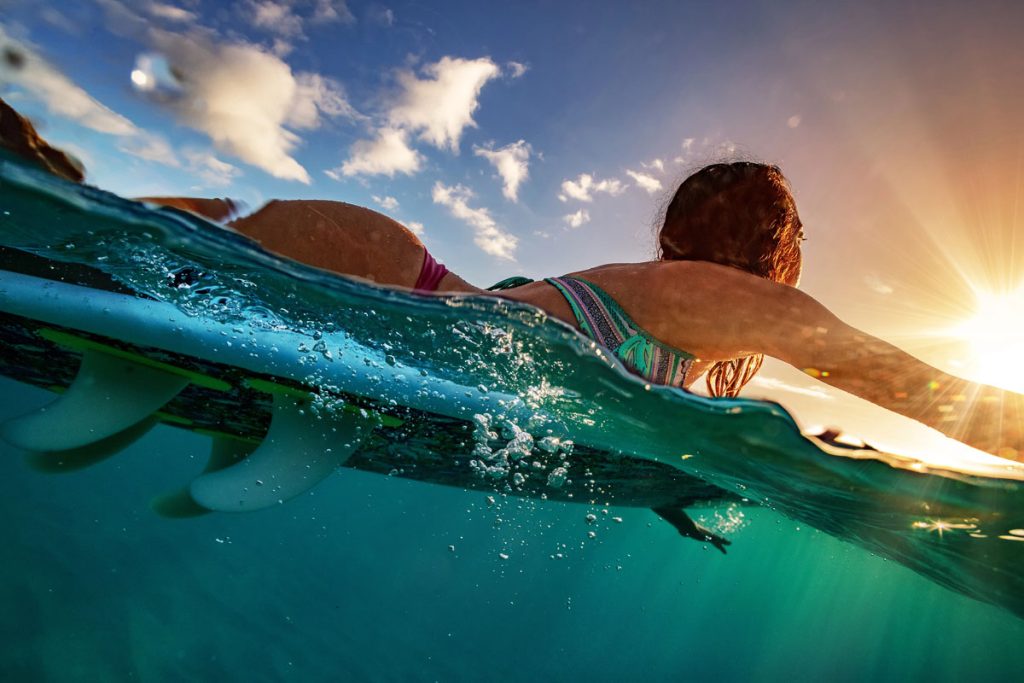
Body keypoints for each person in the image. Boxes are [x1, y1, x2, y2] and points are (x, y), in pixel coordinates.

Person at [2, 98, 1021, 551]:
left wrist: (661, 484)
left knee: (62, 215)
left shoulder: (676, 303)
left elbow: (619, 413)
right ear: (776, 251)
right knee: (51, 213)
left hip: (386, 269)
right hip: (384, 281)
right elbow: (916, 388)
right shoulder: (743, 304)